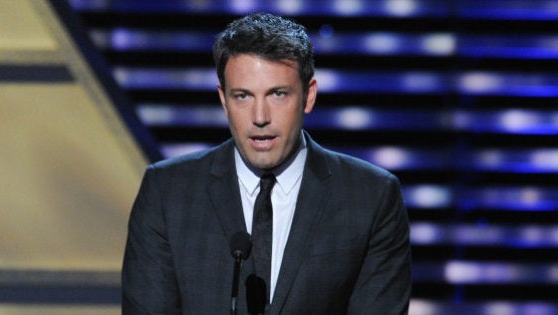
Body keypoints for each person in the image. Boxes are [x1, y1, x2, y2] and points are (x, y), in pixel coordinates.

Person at [122, 12, 411, 314]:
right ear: (223, 100)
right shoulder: (167, 193)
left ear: (308, 96)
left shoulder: (370, 197)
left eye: (277, 94)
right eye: (243, 96)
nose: (260, 117)